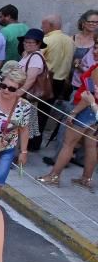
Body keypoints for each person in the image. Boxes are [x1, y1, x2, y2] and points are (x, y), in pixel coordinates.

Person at [38, 40, 98, 189]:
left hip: (85, 108)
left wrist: (73, 113)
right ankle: (86, 179)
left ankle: (54, 176)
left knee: (68, 144)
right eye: (95, 47)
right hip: (94, 112)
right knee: (91, 146)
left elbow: (88, 94)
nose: (95, 51)